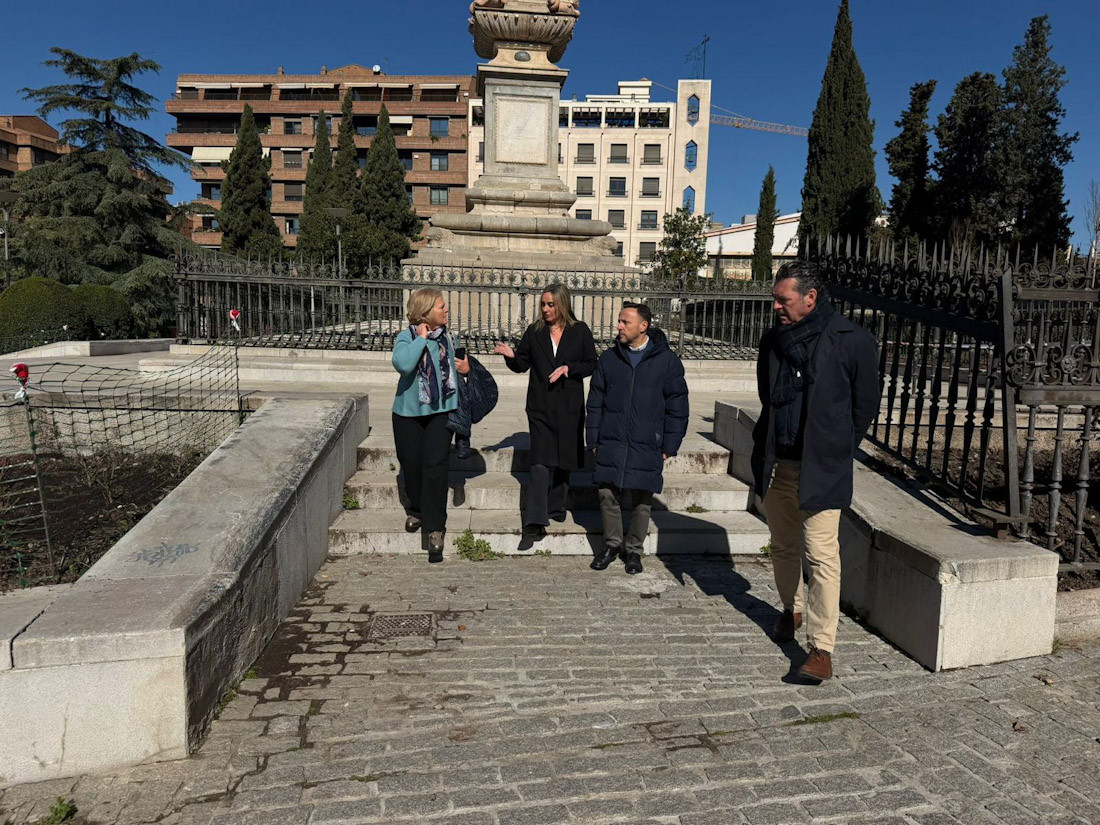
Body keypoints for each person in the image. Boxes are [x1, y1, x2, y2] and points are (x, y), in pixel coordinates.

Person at [752, 261, 881, 681]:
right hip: (778, 465)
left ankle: (822, 649)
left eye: (782, 299)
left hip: (822, 468)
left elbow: (864, 407)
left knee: (822, 557)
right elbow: (767, 399)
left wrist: (837, 447)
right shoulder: (771, 342)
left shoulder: (853, 341)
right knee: (783, 545)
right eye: (775, 298)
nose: (775, 307)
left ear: (811, 298)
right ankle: (790, 610)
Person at [586, 302, 688, 574]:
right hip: (612, 439)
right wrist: (593, 440)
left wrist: (670, 445)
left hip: (647, 442)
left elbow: (677, 407)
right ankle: (611, 545)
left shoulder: (667, 362)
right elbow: (595, 402)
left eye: (625, 322)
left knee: (643, 498)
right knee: (607, 493)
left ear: (643, 326)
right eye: (619, 321)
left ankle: (633, 551)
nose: (618, 326)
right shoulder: (608, 359)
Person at [493, 284, 597, 545]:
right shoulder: (535, 332)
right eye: (543, 304)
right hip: (540, 406)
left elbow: (591, 364)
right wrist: (511, 356)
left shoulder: (580, 331)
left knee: (565, 459)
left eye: (551, 304)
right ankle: (534, 522)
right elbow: (522, 364)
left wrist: (568, 368)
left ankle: (557, 506)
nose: (546, 309)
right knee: (539, 461)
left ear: (562, 304)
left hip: (569, 407)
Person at [392, 288, 470, 563]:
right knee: (411, 465)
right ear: (425, 313)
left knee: (436, 467)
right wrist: (421, 339)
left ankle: (435, 530)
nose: (447, 310)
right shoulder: (407, 337)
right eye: (441, 307)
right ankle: (416, 509)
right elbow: (403, 364)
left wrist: (465, 369)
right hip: (408, 413)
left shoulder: (449, 337)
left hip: (442, 412)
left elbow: (458, 367)